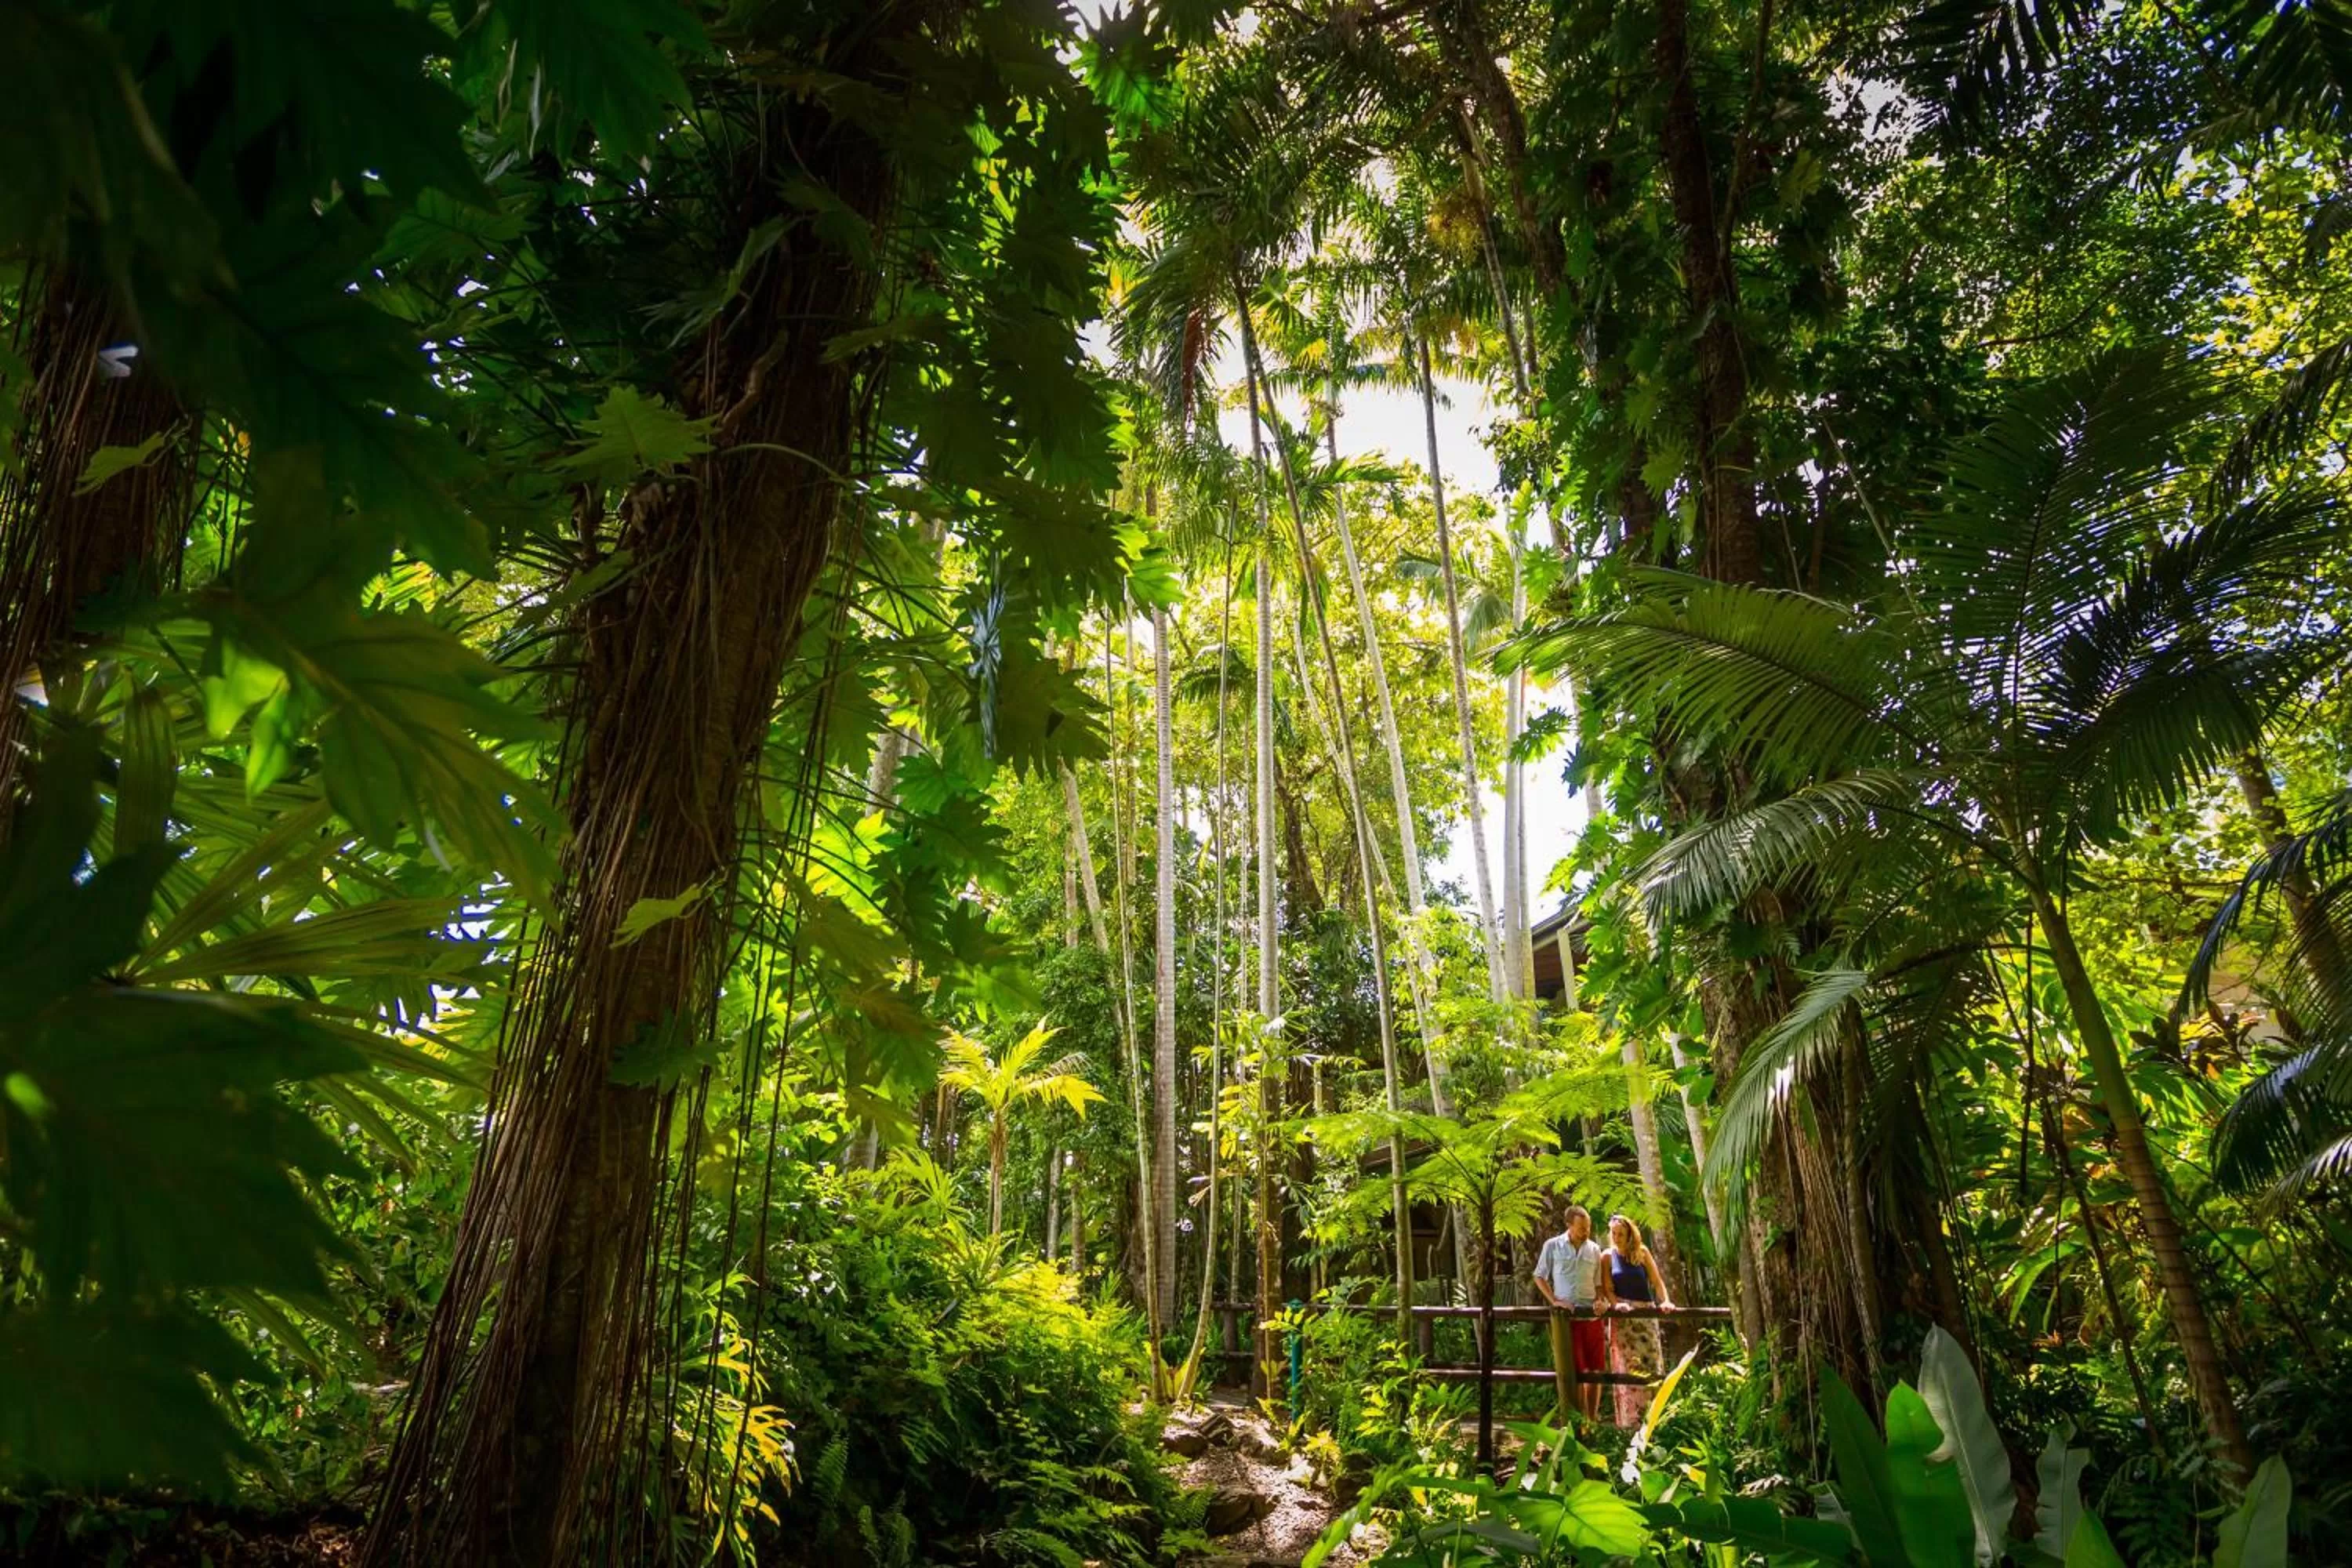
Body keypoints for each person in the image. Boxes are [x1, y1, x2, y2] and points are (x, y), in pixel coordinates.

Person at [1532, 1203, 1607, 1422]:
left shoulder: (1594, 1249)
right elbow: (1539, 1276)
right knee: (1575, 1371)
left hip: (1591, 1317)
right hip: (1567, 1319)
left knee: (1595, 1372)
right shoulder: (1553, 1246)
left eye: (1589, 1227)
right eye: (1582, 1228)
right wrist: (1555, 1301)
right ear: (1569, 1226)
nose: (1587, 1232)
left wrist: (1600, 1301)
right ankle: (1579, 1420)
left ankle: (1592, 1419)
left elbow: (1599, 1284)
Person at [1603, 1214, 1674, 1426]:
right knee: (1627, 1369)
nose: (1617, 1238)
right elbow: (1607, 1289)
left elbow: (1656, 1281)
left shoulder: (1642, 1253)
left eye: (1621, 1234)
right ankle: (1629, 1423)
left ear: (1630, 1235)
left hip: (1645, 1317)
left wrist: (1666, 1301)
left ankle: (1656, 1420)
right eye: (1614, 1234)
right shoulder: (1607, 1256)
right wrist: (1616, 1304)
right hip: (1623, 1319)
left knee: (1651, 1365)